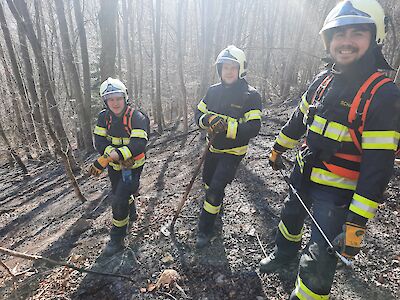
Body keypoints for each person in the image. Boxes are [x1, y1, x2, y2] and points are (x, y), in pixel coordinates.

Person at [259, 0, 400, 299]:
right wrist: (278, 148)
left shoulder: (383, 94)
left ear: (374, 39)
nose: (345, 41)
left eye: (357, 33)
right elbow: (298, 120)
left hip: (337, 194)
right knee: (290, 217)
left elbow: (378, 168)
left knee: (321, 255)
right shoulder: (321, 81)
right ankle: (283, 254)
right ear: (328, 40)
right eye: (338, 34)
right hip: (302, 172)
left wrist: (357, 224)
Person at [194, 45, 262, 248]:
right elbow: (198, 114)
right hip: (212, 149)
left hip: (233, 153)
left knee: (215, 189)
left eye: (233, 67)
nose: (229, 71)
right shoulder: (212, 91)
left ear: (241, 69)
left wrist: (227, 128)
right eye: (225, 67)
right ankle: (215, 207)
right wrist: (207, 120)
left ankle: (205, 229)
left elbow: (253, 128)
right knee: (207, 184)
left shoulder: (251, 95)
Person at [90, 77, 149, 256]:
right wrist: (110, 156)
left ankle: (117, 238)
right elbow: (98, 141)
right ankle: (132, 213)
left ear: (125, 98)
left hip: (134, 167)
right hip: (114, 167)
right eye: (110, 99)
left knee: (119, 199)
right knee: (119, 192)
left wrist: (111, 157)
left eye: (118, 98)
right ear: (105, 101)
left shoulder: (137, 117)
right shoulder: (103, 117)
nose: (115, 103)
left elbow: (139, 143)